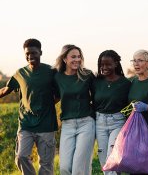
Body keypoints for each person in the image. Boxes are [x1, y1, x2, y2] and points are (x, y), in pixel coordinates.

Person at [0, 38, 58, 175]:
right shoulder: (20, 73)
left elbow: (60, 94)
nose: (30, 56)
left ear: (40, 53)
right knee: (21, 157)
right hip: (26, 124)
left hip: (46, 125)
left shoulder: (51, 72)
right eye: (27, 53)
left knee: (46, 164)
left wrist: (48, 105)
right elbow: (5, 90)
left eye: (34, 53)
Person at [54, 44, 96, 175]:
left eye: (79, 56)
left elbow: (98, 96)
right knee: (65, 168)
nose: (77, 59)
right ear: (65, 59)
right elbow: (54, 97)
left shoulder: (87, 75)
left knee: (79, 169)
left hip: (86, 123)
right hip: (67, 125)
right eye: (73, 57)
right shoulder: (57, 77)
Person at [93, 50, 131, 175]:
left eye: (108, 64)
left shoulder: (125, 83)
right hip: (100, 122)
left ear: (115, 64)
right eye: (101, 64)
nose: (104, 67)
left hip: (118, 122)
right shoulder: (96, 82)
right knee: (104, 158)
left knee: (112, 156)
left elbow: (129, 105)